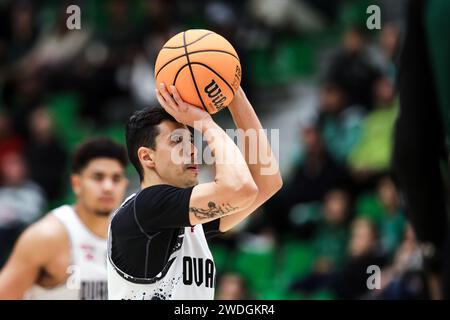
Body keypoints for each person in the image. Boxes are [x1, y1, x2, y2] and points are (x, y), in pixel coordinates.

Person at [107, 83, 282, 300]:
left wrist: (234, 92)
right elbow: (241, 187)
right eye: (177, 141)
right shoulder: (145, 208)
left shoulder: (188, 220)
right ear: (147, 157)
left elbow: (267, 182)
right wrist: (205, 123)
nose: (192, 149)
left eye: (191, 139)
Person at [0, 138, 129, 300]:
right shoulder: (46, 236)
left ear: (125, 184)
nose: (108, 187)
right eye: (98, 177)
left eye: (116, 179)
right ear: (76, 184)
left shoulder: (131, 236)